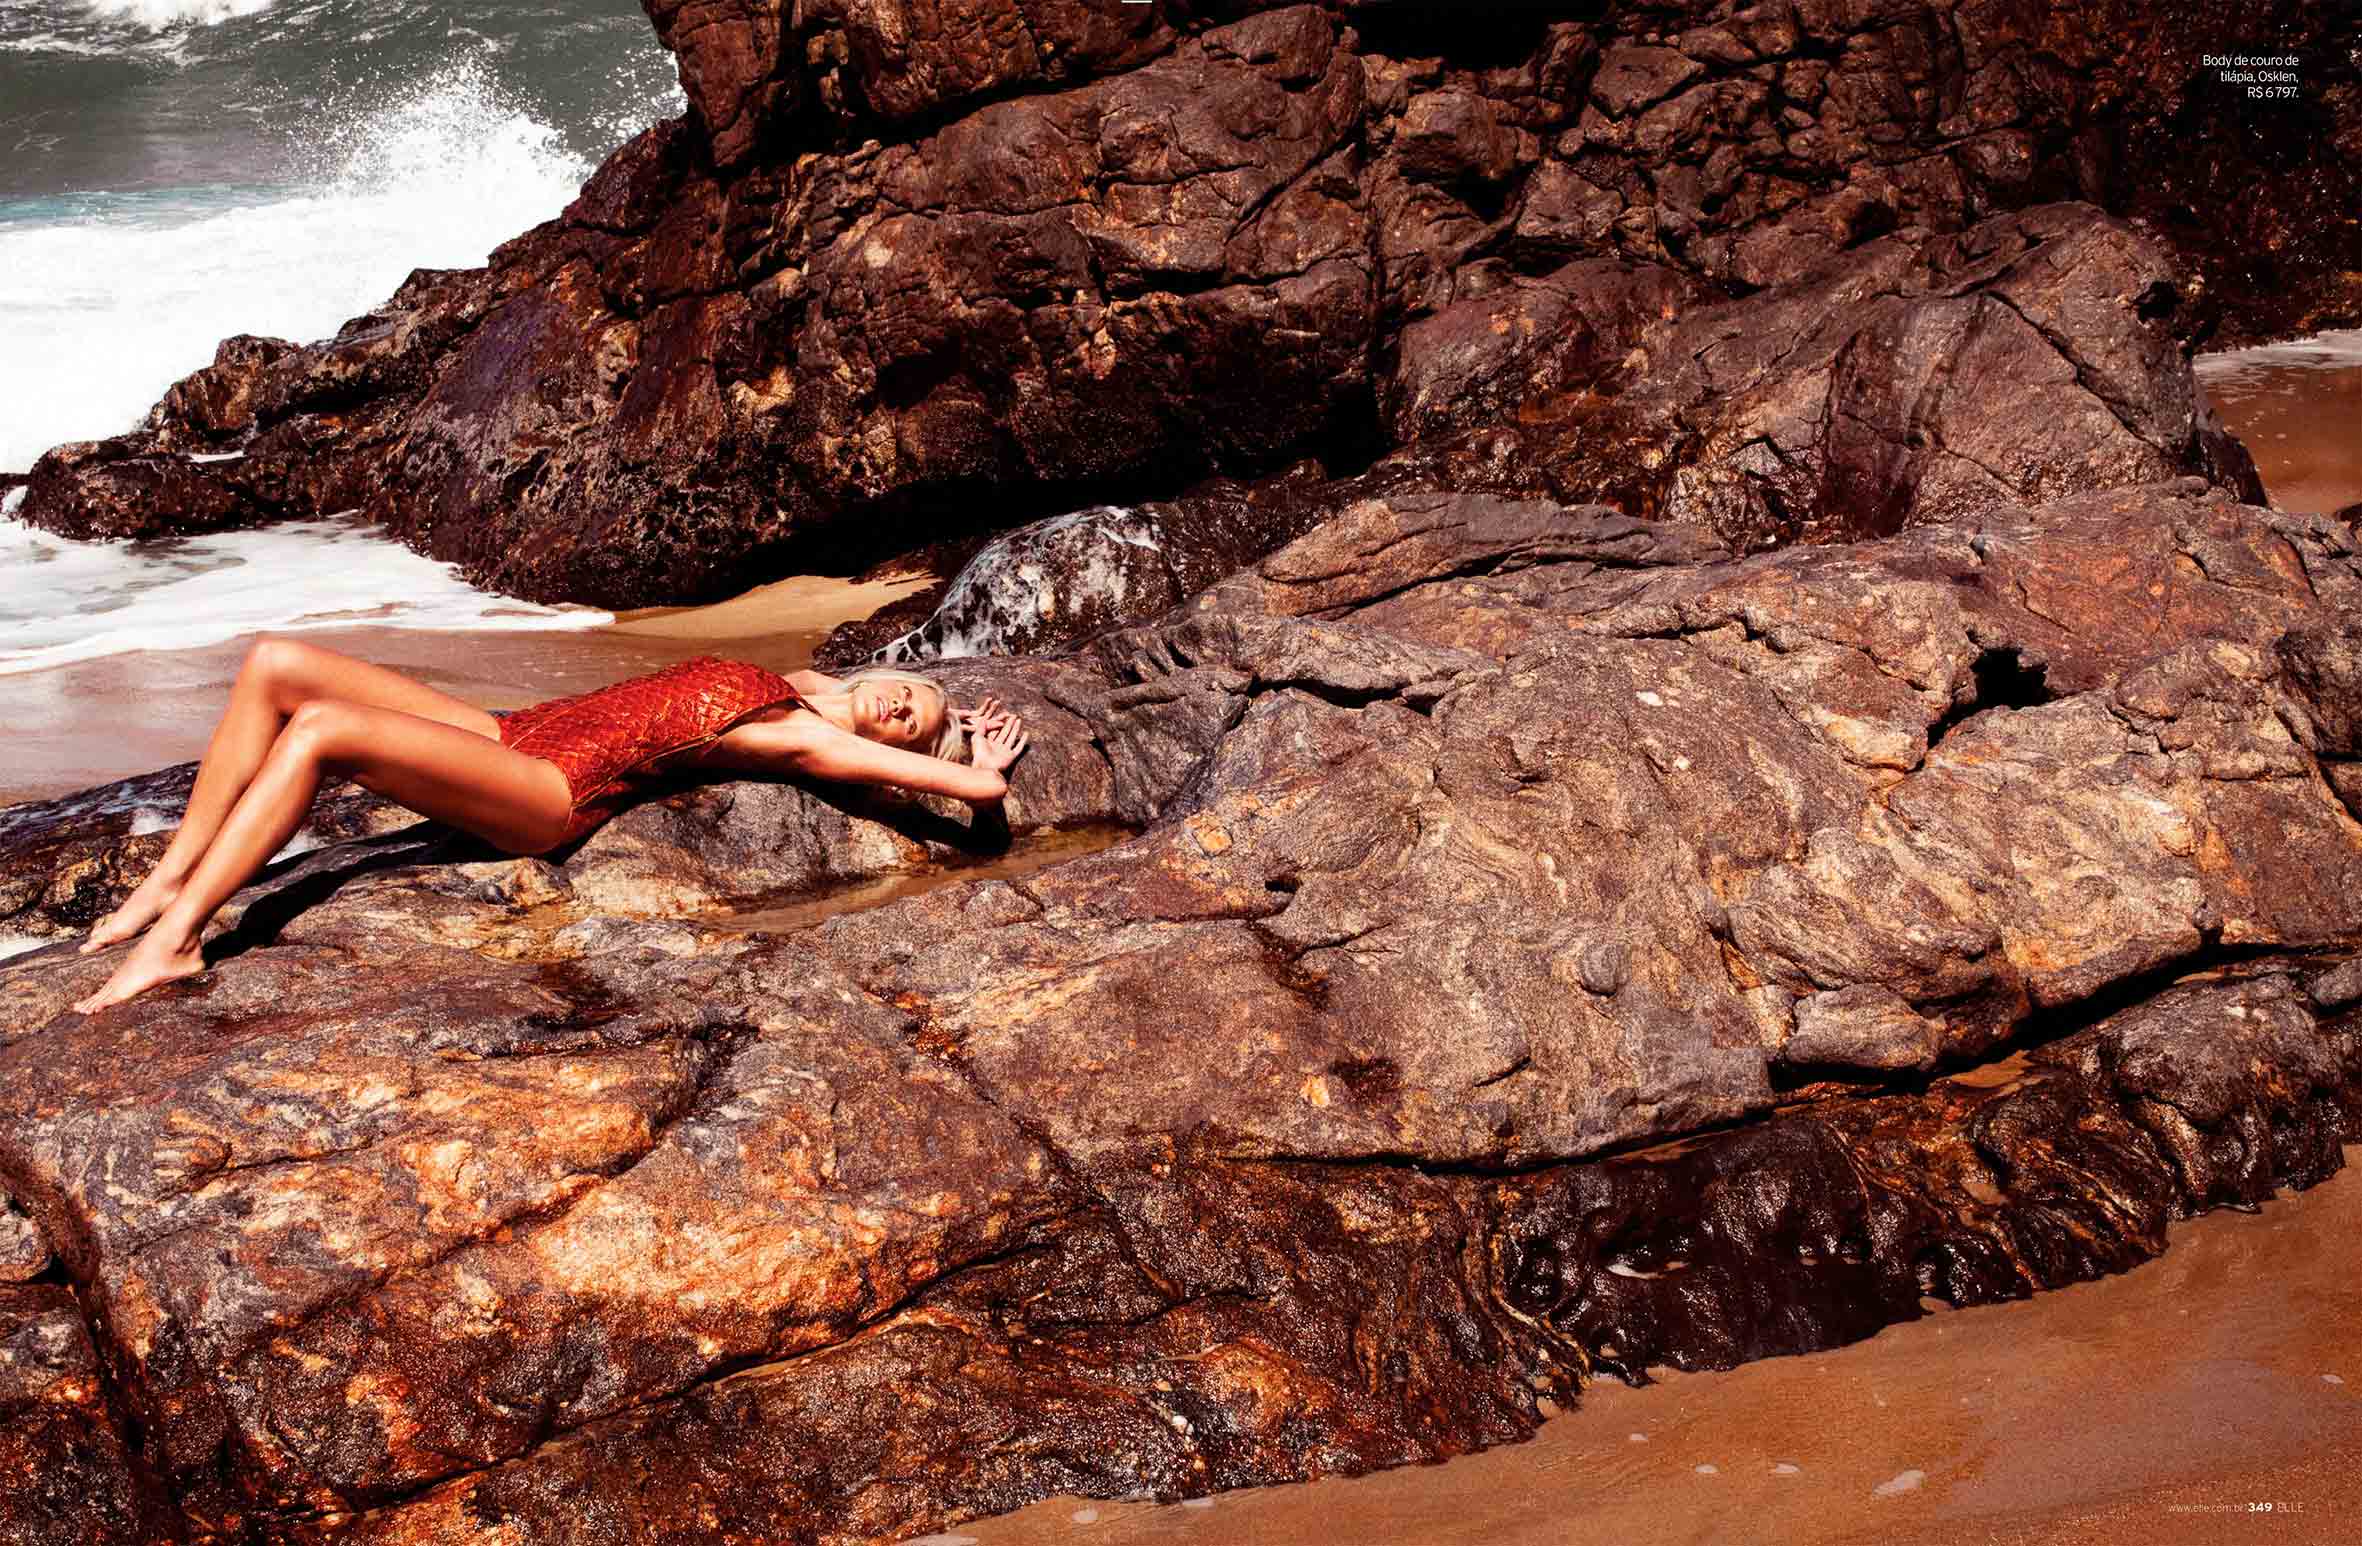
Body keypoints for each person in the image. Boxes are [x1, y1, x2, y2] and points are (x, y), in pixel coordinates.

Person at [69, 637, 1027, 1014]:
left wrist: (977, 772)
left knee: (320, 731)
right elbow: (849, 686)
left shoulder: (810, 740)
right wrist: (948, 712)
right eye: (913, 694)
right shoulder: (808, 686)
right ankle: (169, 877)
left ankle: (179, 938)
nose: (903, 710)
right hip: (524, 730)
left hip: (550, 790)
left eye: (914, 727)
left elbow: (967, 795)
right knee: (275, 663)